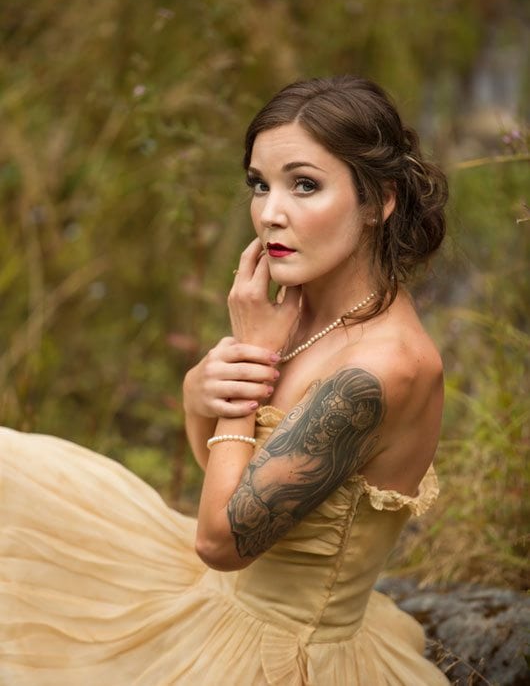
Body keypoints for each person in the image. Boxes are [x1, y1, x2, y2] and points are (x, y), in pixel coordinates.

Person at [0, 76, 449, 685]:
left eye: (305, 185)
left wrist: (247, 372)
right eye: (259, 185)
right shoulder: (299, 308)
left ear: (378, 202)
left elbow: (222, 542)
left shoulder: (380, 371)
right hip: (216, 597)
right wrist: (199, 394)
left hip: (281, 652)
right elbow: (227, 478)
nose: (270, 213)